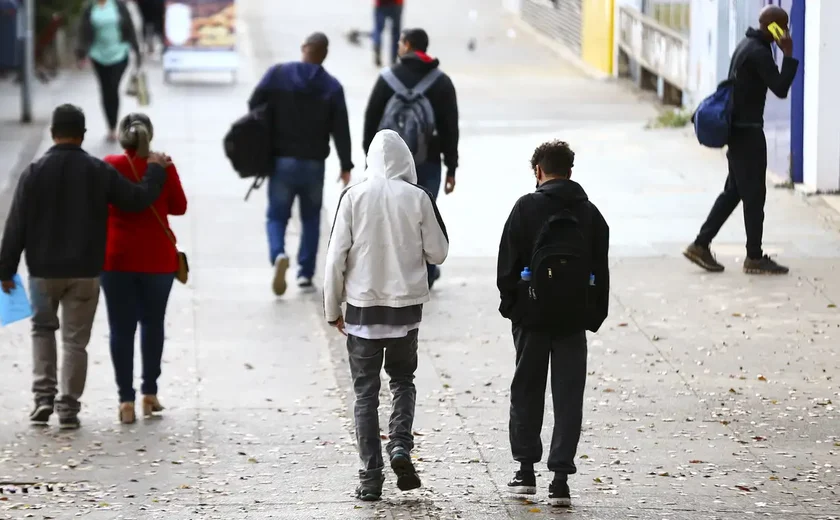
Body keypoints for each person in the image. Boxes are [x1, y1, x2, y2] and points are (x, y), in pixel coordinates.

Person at [0, 104, 170, 430]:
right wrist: (155, 171)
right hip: (85, 272)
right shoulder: (97, 170)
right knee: (75, 342)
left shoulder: (34, 172)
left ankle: (43, 400)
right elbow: (135, 201)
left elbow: (16, 224)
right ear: (82, 135)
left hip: (42, 273)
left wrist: (5, 269)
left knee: (42, 331)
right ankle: (68, 408)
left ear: (52, 134)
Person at [324, 130, 449, 502]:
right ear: (406, 161)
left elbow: (335, 258)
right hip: (405, 314)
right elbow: (438, 253)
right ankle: (399, 447)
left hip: (362, 312)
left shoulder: (353, 197)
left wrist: (333, 308)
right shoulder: (418, 198)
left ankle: (370, 476)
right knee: (402, 381)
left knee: (365, 394)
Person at [496, 140, 609, 507]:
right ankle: (559, 479)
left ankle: (525, 471)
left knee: (527, 390)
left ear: (538, 172)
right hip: (572, 320)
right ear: (570, 172)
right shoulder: (591, 214)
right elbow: (601, 273)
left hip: (532, 319)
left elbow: (506, 269)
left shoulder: (525, 208)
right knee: (568, 395)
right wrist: (591, 317)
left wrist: (515, 309)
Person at [684, 5, 798, 275]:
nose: (786, 31)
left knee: (735, 191)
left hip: (739, 131)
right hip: (747, 133)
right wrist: (789, 55)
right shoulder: (759, 53)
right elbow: (780, 88)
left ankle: (700, 244)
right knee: (754, 195)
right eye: (784, 26)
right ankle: (754, 258)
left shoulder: (746, 44)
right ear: (774, 27)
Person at [248, 32, 353, 295]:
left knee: (276, 215)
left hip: (281, 161)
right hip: (314, 164)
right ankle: (305, 273)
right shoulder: (332, 86)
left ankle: (279, 254)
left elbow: (254, 104)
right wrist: (346, 164)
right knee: (310, 219)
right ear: (324, 54)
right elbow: (341, 128)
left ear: (304, 48)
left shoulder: (278, 75)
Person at [101, 113, 187, 424]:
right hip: (157, 261)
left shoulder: (110, 164)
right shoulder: (163, 164)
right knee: (153, 323)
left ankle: (125, 401)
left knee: (120, 329)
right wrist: (164, 171)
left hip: (116, 260)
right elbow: (179, 206)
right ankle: (149, 393)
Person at [362, 28, 459, 289]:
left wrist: (368, 160)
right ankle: (426, 274)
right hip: (427, 162)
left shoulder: (386, 79)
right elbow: (451, 127)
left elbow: (370, 120)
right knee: (424, 217)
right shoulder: (441, 82)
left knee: (390, 217)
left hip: (388, 165)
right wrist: (451, 166)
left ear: (406, 45)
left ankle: (394, 274)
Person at [76, 0, 142, 142]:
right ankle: (110, 127)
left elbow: (130, 28)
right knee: (105, 90)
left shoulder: (118, 6)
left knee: (113, 87)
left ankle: (114, 126)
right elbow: (83, 31)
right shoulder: (90, 8)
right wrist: (81, 54)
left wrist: (137, 51)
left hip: (120, 52)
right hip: (98, 54)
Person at [372, 0, 404, 67]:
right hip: (396, 4)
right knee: (395, 32)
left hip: (380, 4)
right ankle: (394, 59)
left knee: (378, 29)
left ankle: (377, 43)